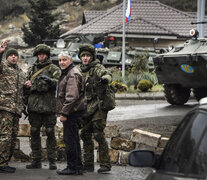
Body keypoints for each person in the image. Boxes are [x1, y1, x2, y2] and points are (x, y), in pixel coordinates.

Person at [24, 44, 61, 170]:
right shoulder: (31, 69)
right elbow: (25, 86)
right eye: (39, 54)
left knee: (50, 133)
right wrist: (26, 89)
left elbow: (59, 82)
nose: (41, 56)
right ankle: (36, 160)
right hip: (34, 106)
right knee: (34, 132)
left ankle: (52, 160)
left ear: (47, 55)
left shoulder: (53, 69)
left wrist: (50, 81)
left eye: (43, 54)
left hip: (49, 105)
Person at [78, 44, 112, 173]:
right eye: (83, 56)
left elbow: (107, 74)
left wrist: (105, 79)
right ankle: (88, 164)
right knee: (85, 134)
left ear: (92, 57)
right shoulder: (80, 70)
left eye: (88, 56)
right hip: (86, 107)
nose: (85, 58)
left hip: (98, 105)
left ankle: (105, 164)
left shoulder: (97, 68)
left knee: (98, 134)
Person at [56, 52, 87, 175]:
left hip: (72, 114)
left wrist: (64, 113)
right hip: (73, 113)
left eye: (64, 60)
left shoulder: (72, 74)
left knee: (70, 141)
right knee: (74, 140)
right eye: (60, 60)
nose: (61, 62)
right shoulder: (69, 72)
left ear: (70, 60)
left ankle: (72, 167)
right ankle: (78, 167)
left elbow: (71, 97)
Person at [0, 42, 26, 173]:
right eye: (11, 55)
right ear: (7, 57)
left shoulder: (21, 72)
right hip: (5, 107)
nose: (14, 57)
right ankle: (1, 163)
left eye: (15, 55)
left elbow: (22, 91)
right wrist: (1, 52)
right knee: (5, 136)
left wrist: (28, 85)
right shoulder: (3, 67)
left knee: (12, 136)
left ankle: (5, 162)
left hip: (16, 109)